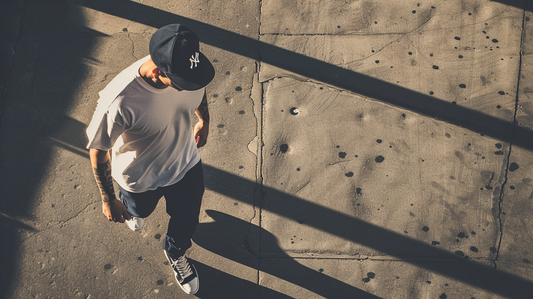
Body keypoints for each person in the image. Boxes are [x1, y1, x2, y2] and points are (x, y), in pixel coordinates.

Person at [86, 24, 215, 295]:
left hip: (186, 164)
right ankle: (133, 210)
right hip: (140, 178)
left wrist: (204, 120)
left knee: (187, 218)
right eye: (182, 84)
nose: (188, 87)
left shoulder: (188, 71)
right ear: (157, 71)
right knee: (139, 211)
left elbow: (199, 90)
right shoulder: (121, 100)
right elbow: (98, 150)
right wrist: (108, 199)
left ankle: (176, 252)